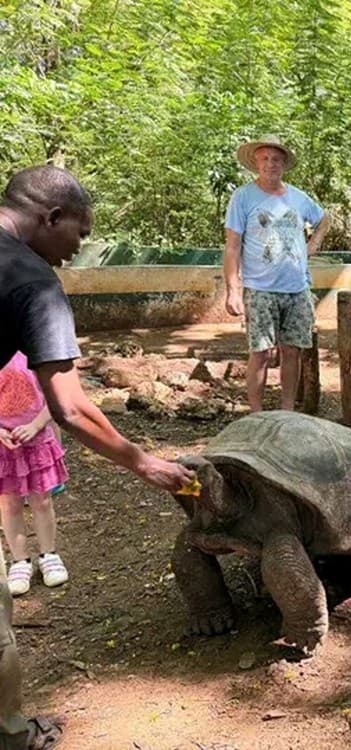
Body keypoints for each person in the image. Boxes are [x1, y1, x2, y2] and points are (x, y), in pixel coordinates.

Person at [0, 165, 193, 750]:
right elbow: (71, 407)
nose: (78, 251)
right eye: (79, 235)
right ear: (51, 218)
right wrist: (145, 462)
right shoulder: (31, 278)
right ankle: (10, 734)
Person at [223, 135, 330, 413]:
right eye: (265, 159)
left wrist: (314, 242)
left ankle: (287, 411)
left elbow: (324, 218)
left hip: (296, 287)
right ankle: (256, 414)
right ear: (256, 162)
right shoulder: (243, 197)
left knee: (292, 350)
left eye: (276, 159)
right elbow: (232, 246)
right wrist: (233, 289)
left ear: (284, 164)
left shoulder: (298, 197)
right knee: (261, 352)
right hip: (260, 287)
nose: (271, 164)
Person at [0, 353, 70, 597]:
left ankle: (49, 554)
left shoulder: (35, 350)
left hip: (37, 439)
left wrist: (36, 425)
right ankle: (20, 561)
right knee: (9, 504)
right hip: (4, 447)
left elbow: (56, 395)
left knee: (41, 500)